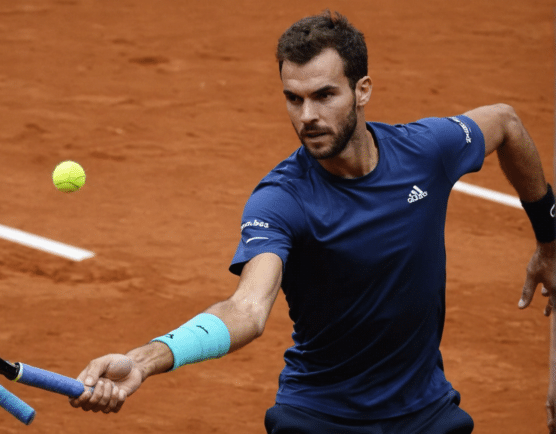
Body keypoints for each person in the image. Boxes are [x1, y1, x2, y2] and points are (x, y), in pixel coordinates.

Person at [68, 10, 556, 433]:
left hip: (425, 412)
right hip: (321, 418)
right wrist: (145, 360)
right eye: (293, 98)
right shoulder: (281, 200)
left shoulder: (426, 151)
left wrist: (549, 242)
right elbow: (246, 310)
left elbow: (506, 123)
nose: (307, 116)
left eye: (324, 95)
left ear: (362, 90)